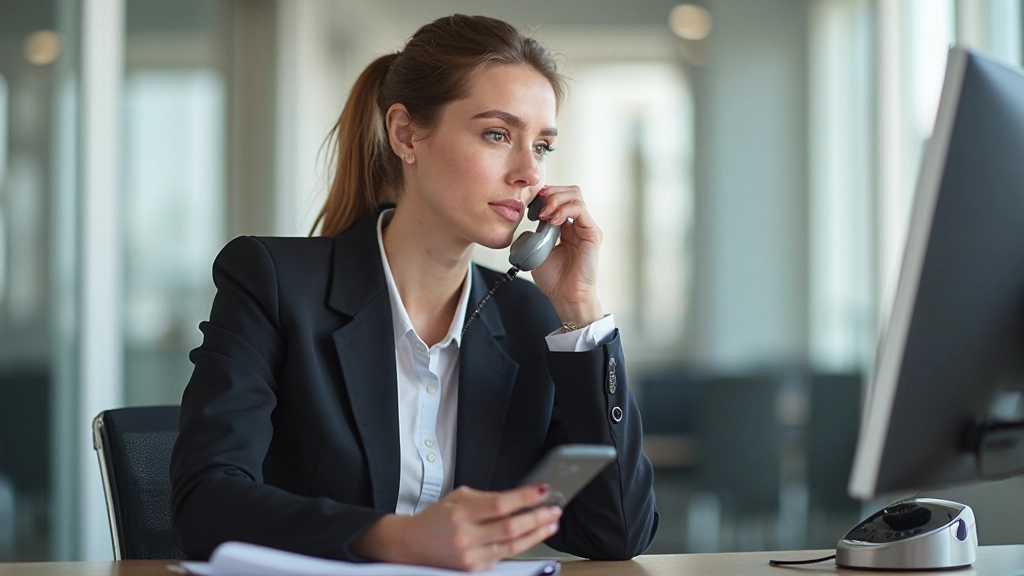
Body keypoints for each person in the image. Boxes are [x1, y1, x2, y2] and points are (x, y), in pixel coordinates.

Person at [169, 13, 658, 571]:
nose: (529, 173)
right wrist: (394, 538)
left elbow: (616, 531)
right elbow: (204, 504)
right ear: (405, 134)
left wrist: (581, 309)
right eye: (497, 134)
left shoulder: (528, 317)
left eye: (542, 146)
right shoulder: (274, 283)